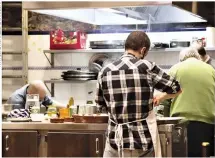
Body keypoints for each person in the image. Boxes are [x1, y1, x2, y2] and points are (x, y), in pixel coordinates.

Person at [95, 31, 181, 157]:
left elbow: (100, 106)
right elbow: (176, 88)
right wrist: (162, 97)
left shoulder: (105, 71)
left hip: (114, 142)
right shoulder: (146, 67)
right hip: (140, 142)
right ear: (143, 50)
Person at [167, 47, 215, 157]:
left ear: (181, 59)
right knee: (204, 154)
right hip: (207, 124)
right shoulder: (211, 70)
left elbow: (165, 100)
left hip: (180, 124)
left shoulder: (175, 69)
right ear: (198, 57)